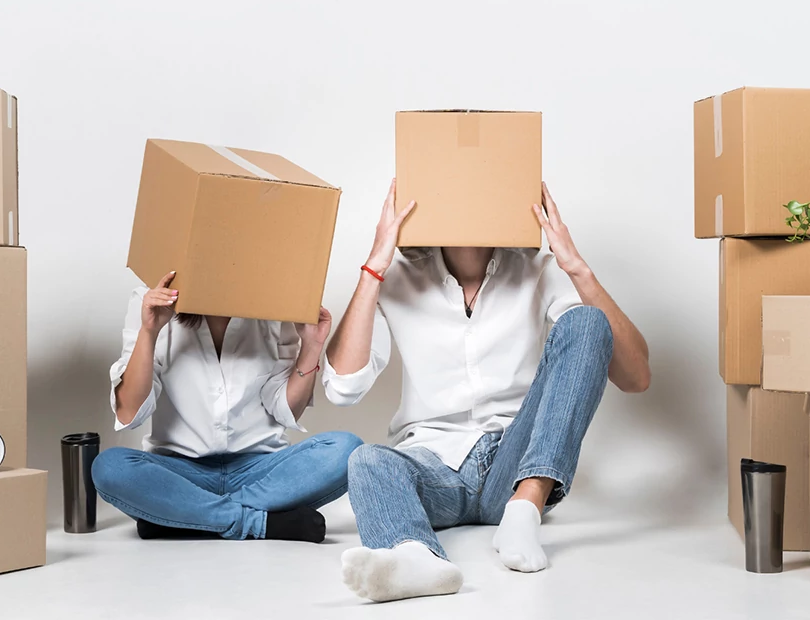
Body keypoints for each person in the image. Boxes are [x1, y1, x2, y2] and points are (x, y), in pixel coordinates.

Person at [324, 181, 651, 602]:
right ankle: (415, 558)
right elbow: (343, 387)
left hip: (515, 465)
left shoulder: (537, 270)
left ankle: (525, 509)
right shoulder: (397, 277)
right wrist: (374, 265)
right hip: (433, 468)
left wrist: (576, 268)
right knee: (366, 460)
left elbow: (636, 377)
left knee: (588, 321)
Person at [92, 271, 363, 543]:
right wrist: (150, 331)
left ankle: (185, 517)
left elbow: (286, 410)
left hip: (260, 473)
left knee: (347, 450)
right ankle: (258, 522)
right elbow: (129, 412)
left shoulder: (276, 303)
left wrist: (312, 346)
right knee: (110, 467)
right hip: (180, 473)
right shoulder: (151, 299)